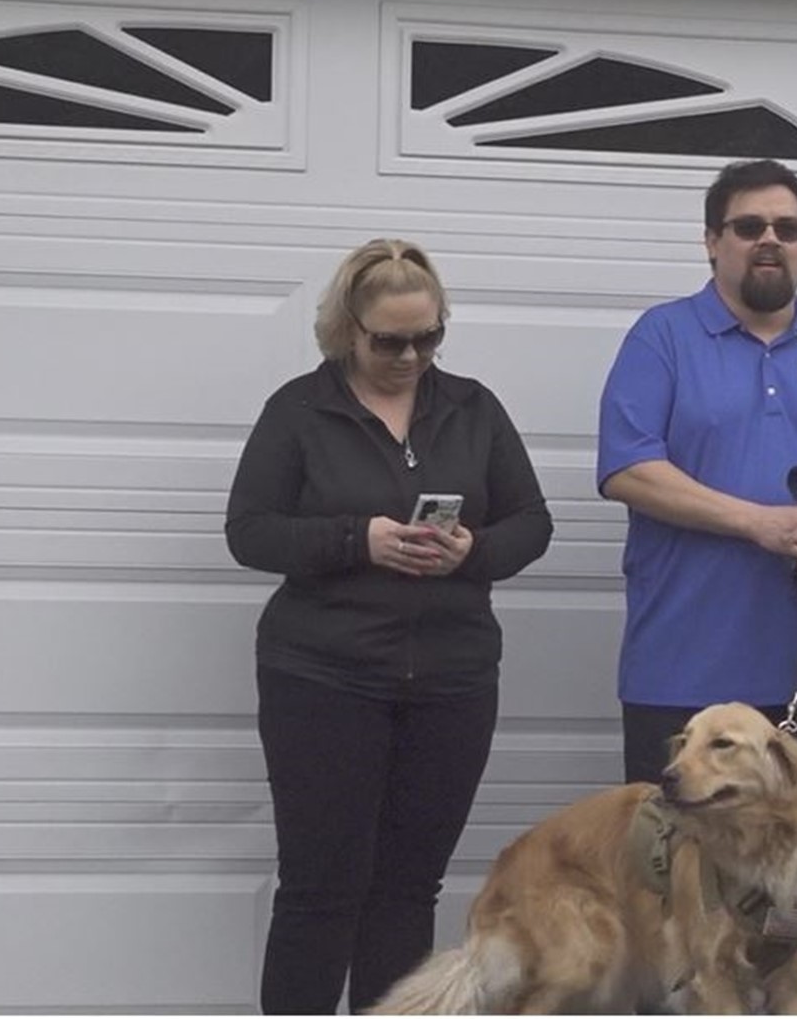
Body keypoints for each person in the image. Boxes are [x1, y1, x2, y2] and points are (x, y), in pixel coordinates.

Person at [595, 158, 797, 1014]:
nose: (769, 241)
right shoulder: (661, 340)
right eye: (749, 227)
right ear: (713, 243)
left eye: (788, 227)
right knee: (675, 914)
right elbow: (629, 469)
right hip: (683, 683)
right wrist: (758, 522)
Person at [226, 238, 554, 1013]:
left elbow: (532, 523)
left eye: (429, 336)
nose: (411, 355)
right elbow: (250, 531)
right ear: (347, 328)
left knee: (409, 889)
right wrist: (357, 539)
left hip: (451, 680)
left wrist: (474, 551)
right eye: (390, 341)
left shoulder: (472, 407)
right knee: (319, 888)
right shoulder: (300, 410)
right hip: (323, 677)